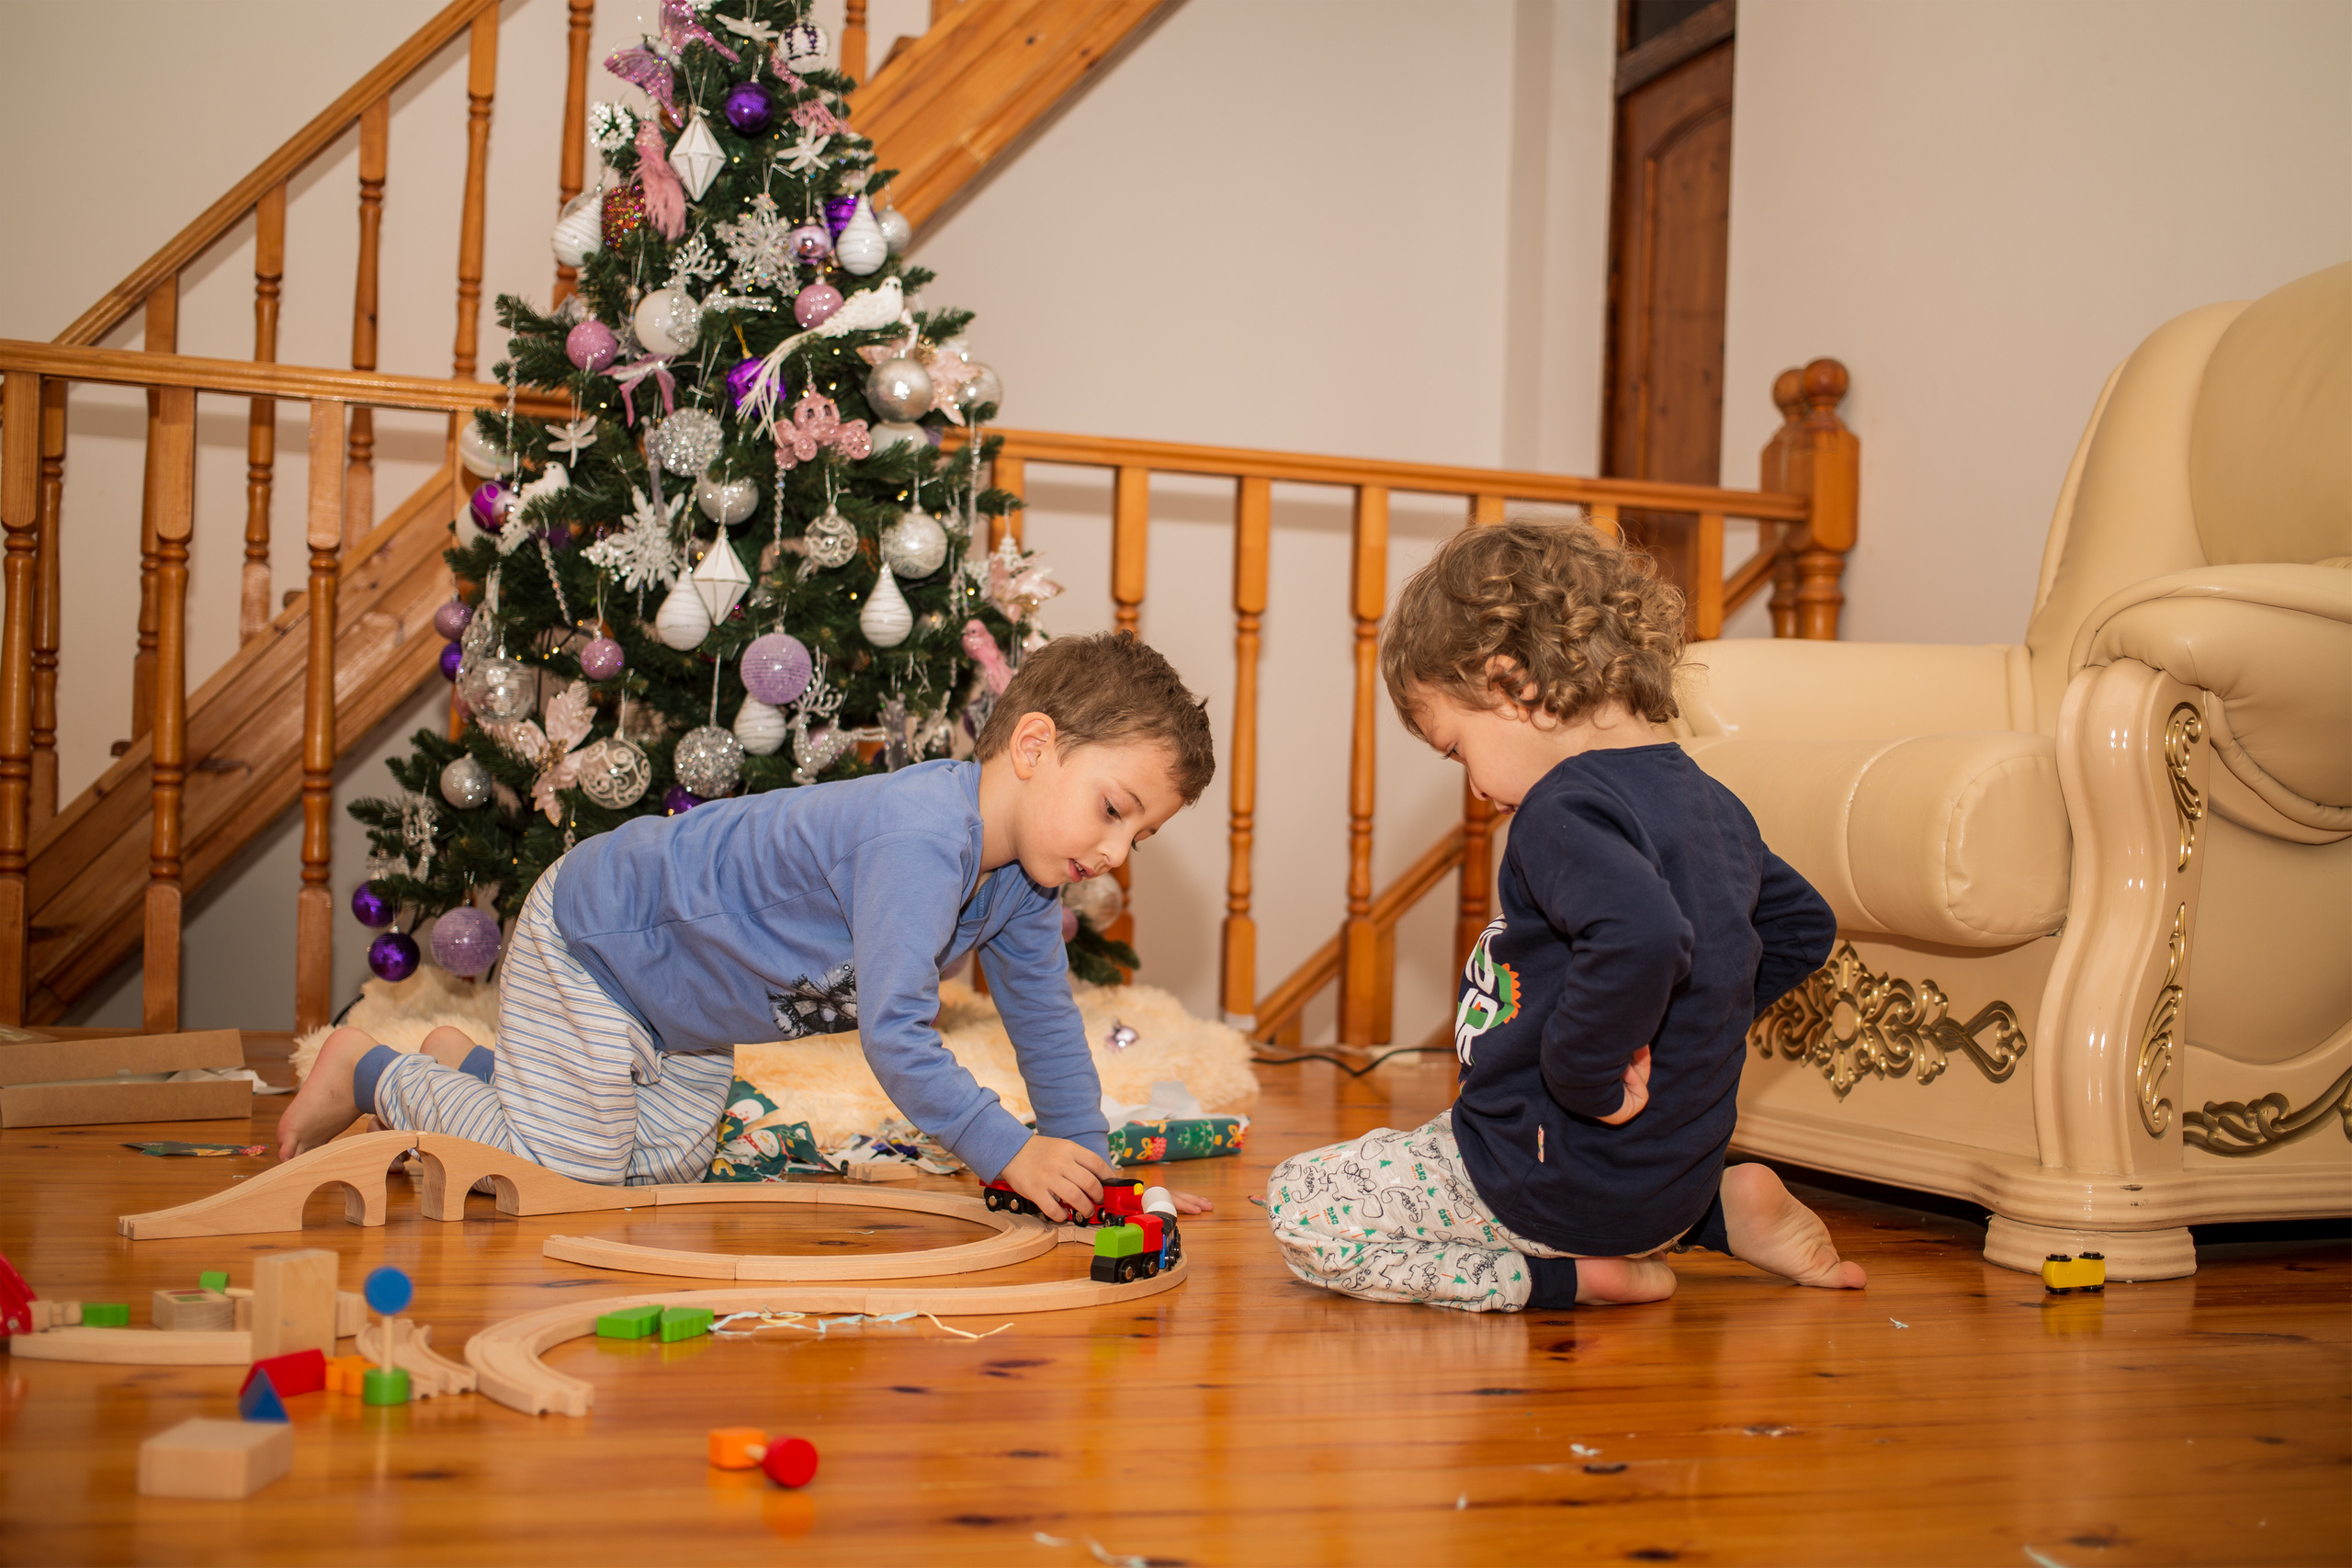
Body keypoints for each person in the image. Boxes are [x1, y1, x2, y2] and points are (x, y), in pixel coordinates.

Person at [281, 632, 1217, 1223]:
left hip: (687, 1014)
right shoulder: (921, 838)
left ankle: (476, 1069)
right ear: (1032, 746)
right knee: (568, 1175)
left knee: (662, 1171)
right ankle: (372, 1069)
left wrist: (1097, 1178)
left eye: (1142, 832)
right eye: (1113, 809)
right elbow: (896, 1037)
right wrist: (1008, 1152)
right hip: (604, 944)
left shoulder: (1019, 886)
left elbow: (1045, 1024)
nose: (1119, 850)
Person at [1264, 520, 1863, 1310]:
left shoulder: (1558, 808)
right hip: (1662, 1181)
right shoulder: (1712, 803)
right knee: (1418, 1149)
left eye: (1455, 747)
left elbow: (1643, 933)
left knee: (1299, 1202)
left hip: (1539, 1179)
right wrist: (1687, 1026)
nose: (1472, 787)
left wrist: (1589, 1078)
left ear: (1513, 685)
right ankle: (1713, 1213)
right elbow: (1801, 928)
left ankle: (1567, 1277)